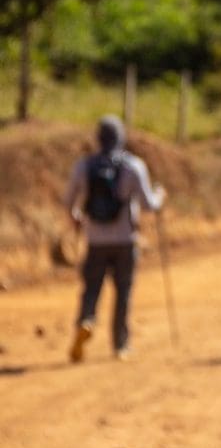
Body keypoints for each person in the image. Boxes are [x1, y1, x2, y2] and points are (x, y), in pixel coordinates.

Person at [64, 115, 166, 362]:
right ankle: (120, 345)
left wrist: (77, 217)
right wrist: (160, 196)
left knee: (91, 289)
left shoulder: (84, 166)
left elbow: (68, 202)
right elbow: (148, 204)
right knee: (124, 291)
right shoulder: (133, 166)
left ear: (98, 138)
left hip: (95, 239)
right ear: (121, 137)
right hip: (125, 240)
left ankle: (86, 320)